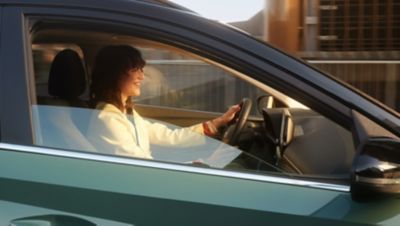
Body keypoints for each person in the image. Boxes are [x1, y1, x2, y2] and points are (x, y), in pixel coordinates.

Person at [86, 45, 240, 159]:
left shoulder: (124, 112)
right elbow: (141, 168)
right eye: (135, 70)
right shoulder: (107, 119)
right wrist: (205, 165)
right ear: (114, 75)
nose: (141, 76)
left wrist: (217, 123)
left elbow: (169, 136)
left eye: (141, 69)